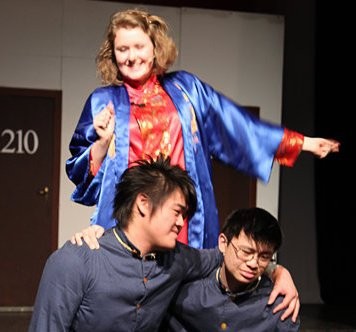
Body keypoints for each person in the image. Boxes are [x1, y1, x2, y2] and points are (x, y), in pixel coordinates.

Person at [66, 8, 340, 250]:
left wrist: (300, 143)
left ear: (154, 48)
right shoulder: (102, 101)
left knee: (186, 297)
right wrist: (102, 143)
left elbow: (236, 125)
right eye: (122, 49)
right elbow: (78, 170)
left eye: (139, 46)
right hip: (129, 220)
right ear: (112, 55)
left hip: (183, 220)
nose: (131, 56)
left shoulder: (186, 90)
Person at [30, 155, 295, 331]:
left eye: (186, 215)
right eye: (177, 211)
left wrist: (277, 271)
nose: (182, 222)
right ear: (143, 203)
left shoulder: (177, 259)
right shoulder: (75, 260)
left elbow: (228, 255)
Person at [159, 207, 300, 331]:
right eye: (246, 252)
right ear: (223, 243)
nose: (253, 263)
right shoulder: (188, 291)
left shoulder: (278, 304)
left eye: (264, 257)